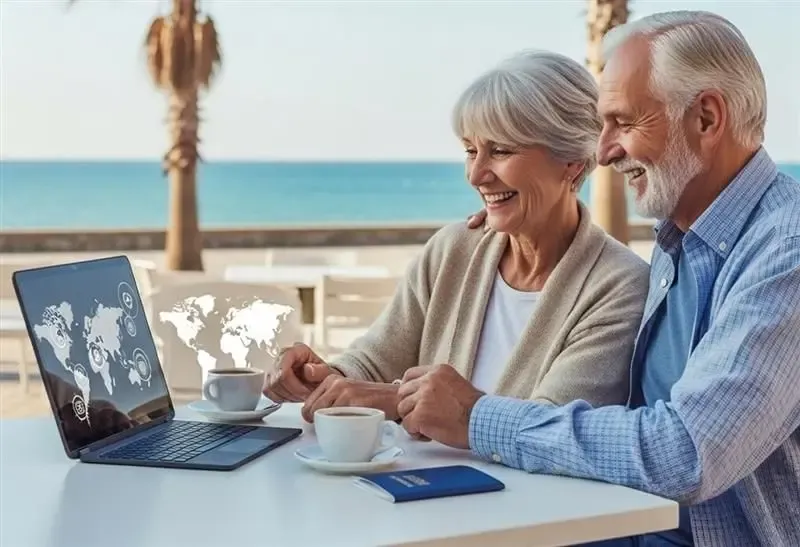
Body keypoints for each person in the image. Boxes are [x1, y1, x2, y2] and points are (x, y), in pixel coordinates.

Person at [397, 10, 800, 547]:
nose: (603, 152)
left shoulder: (784, 253)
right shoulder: (680, 240)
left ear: (705, 118)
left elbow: (686, 454)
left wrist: (477, 416)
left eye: (624, 122)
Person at [264, 50, 650, 424]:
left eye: (499, 151)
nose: (476, 174)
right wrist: (320, 375)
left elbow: (551, 429)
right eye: (470, 151)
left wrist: (398, 400)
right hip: (413, 487)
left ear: (571, 163)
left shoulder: (619, 287)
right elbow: (373, 362)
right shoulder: (453, 250)